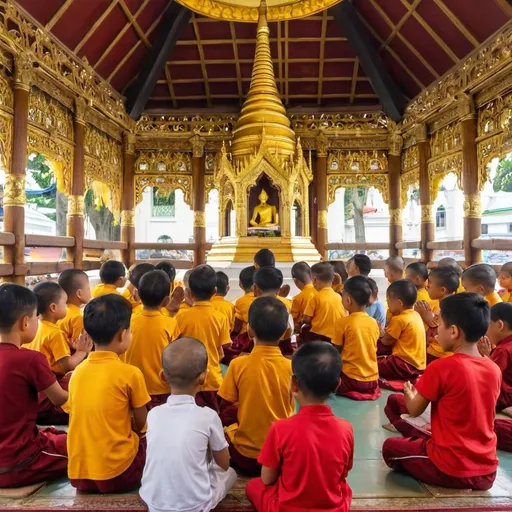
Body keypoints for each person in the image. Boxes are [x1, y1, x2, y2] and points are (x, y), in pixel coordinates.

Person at [382, 293, 501, 490]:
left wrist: (410, 394)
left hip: (450, 468)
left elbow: (414, 410)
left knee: (390, 448)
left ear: (453, 331)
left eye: (440, 325)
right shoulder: (493, 368)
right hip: (488, 471)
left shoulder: (442, 367)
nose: (436, 331)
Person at [245, 342, 354, 512]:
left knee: (253, 485)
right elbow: (343, 474)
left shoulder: (280, 429)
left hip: (287, 508)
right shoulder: (346, 429)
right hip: (333, 508)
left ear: (294, 384)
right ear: (337, 384)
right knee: (345, 489)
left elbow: (267, 479)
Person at [140, 338, 237, 512]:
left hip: (153, 501)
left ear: (162, 376)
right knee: (230, 473)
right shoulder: (208, 416)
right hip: (196, 505)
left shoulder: (153, 414)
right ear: (204, 377)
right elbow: (223, 463)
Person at [67, 295, 151, 493]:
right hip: (119, 474)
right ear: (123, 335)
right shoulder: (130, 373)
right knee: (155, 437)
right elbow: (143, 424)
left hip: (79, 475)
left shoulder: (77, 372)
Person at [0, 284, 68, 488]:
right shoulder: (30, 359)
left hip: (9, 454)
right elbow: (60, 399)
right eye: (37, 317)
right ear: (25, 322)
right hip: (20, 462)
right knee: (83, 448)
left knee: (54, 434)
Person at [219, 297, 294, 475]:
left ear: (249, 330)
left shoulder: (238, 364)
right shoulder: (291, 368)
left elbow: (225, 406)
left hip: (244, 456)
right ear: (285, 332)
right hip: (280, 455)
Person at [175, 265, 231, 411]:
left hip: (188, 379)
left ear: (189, 292)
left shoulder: (181, 317)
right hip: (212, 378)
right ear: (214, 292)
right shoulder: (220, 317)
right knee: (213, 418)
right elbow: (222, 348)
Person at [124, 270, 179, 409]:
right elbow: (175, 355)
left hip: (130, 385)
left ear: (138, 295)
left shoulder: (129, 321)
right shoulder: (170, 323)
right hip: (161, 388)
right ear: (166, 300)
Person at [332, 276, 380, 400]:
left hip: (351, 379)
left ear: (348, 300)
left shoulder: (342, 323)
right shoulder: (373, 322)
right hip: (373, 380)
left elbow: (336, 352)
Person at [378, 280, 426, 381]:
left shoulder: (399, 319)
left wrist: (379, 333)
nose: (387, 304)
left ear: (399, 303)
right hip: (419, 365)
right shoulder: (416, 315)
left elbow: (386, 342)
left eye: (388, 301)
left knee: (372, 363)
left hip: (402, 364)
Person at [415, 267, 459, 363]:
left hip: (441, 355)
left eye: (429, 287)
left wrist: (430, 322)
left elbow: (447, 336)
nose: (427, 289)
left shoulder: (450, 309)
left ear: (442, 290)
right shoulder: (443, 307)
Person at [253, 267, 294, 356]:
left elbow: (250, 332)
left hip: (257, 349)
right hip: (281, 350)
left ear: (255, 287)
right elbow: (289, 331)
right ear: (279, 288)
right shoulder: (287, 304)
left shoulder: (254, 306)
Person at [301, 262, 345, 343]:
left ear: (314, 280)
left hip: (319, 336)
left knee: (304, 331)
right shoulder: (339, 297)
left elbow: (306, 319)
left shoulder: (315, 298)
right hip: (337, 336)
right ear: (332, 279)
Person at [225, 266, 256, 364]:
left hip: (247, 342)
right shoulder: (268, 300)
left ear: (240, 284)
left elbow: (237, 326)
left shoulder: (240, 302)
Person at [57, 269, 92, 346]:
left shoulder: (59, 311)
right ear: (79, 293)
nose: (90, 291)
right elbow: (79, 344)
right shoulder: (78, 317)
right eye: (88, 288)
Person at [290, 262, 317, 334]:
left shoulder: (298, 298)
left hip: (306, 334)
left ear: (295, 281)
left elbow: (291, 321)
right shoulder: (320, 292)